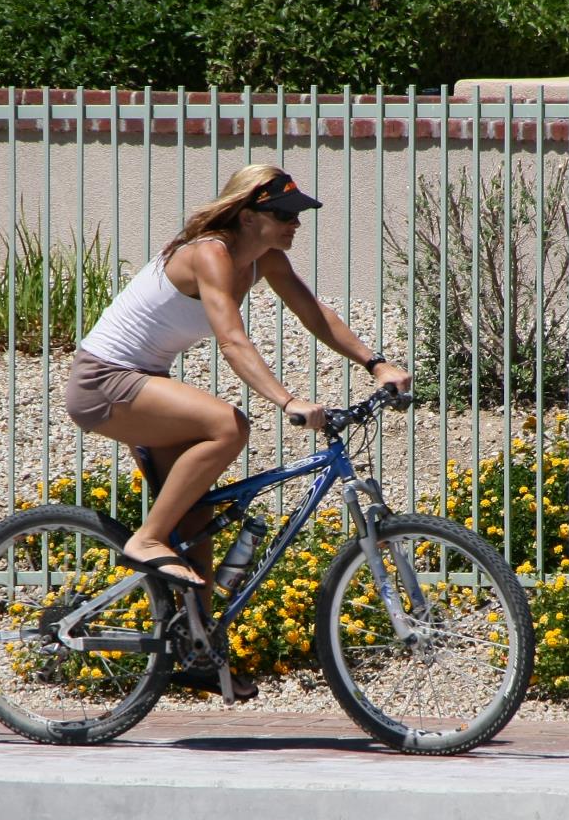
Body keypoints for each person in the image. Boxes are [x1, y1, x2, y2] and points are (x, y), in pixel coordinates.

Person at [64, 164, 411, 594]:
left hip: (145, 382)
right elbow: (232, 342)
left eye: (297, 214)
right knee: (228, 425)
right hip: (104, 382)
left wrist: (375, 363)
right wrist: (287, 401)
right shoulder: (210, 253)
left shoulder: (264, 259)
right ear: (248, 217)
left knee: (195, 532)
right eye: (284, 215)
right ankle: (147, 538)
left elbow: (315, 314)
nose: (296, 223)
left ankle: (200, 653)